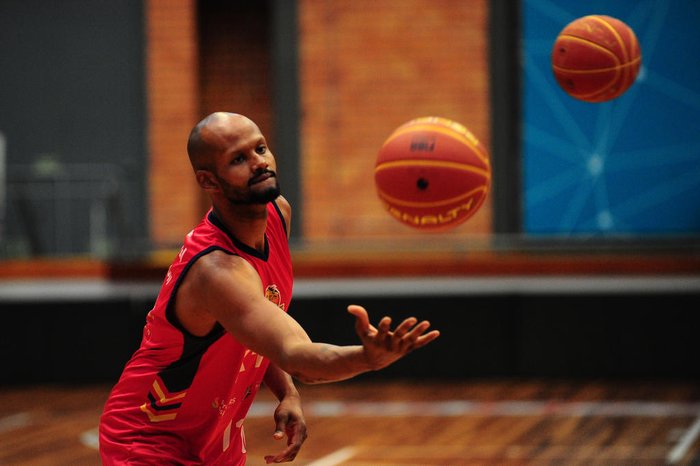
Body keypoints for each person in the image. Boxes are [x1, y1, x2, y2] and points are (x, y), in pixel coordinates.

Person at [99, 112, 440, 465]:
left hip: (215, 441)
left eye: (260, 148)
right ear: (208, 181)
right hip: (149, 440)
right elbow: (297, 356)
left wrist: (287, 391)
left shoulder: (278, 214)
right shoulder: (216, 272)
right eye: (238, 159)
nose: (259, 163)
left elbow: (261, 329)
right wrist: (367, 358)